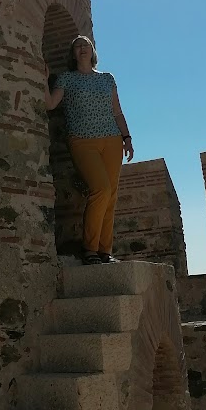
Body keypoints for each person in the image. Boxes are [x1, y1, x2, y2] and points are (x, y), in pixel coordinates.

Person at [44, 35, 133, 265]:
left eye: (86, 45)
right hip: (82, 141)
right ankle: (89, 249)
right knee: (101, 189)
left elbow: (117, 112)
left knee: (111, 195)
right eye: (77, 46)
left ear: (92, 51)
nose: (82, 48)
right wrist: (43, 80)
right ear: (73, 54)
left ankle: (105, 251)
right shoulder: (67, 79)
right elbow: (50, 104)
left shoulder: (107, 79)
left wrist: (127, 137)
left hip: (112, 139)